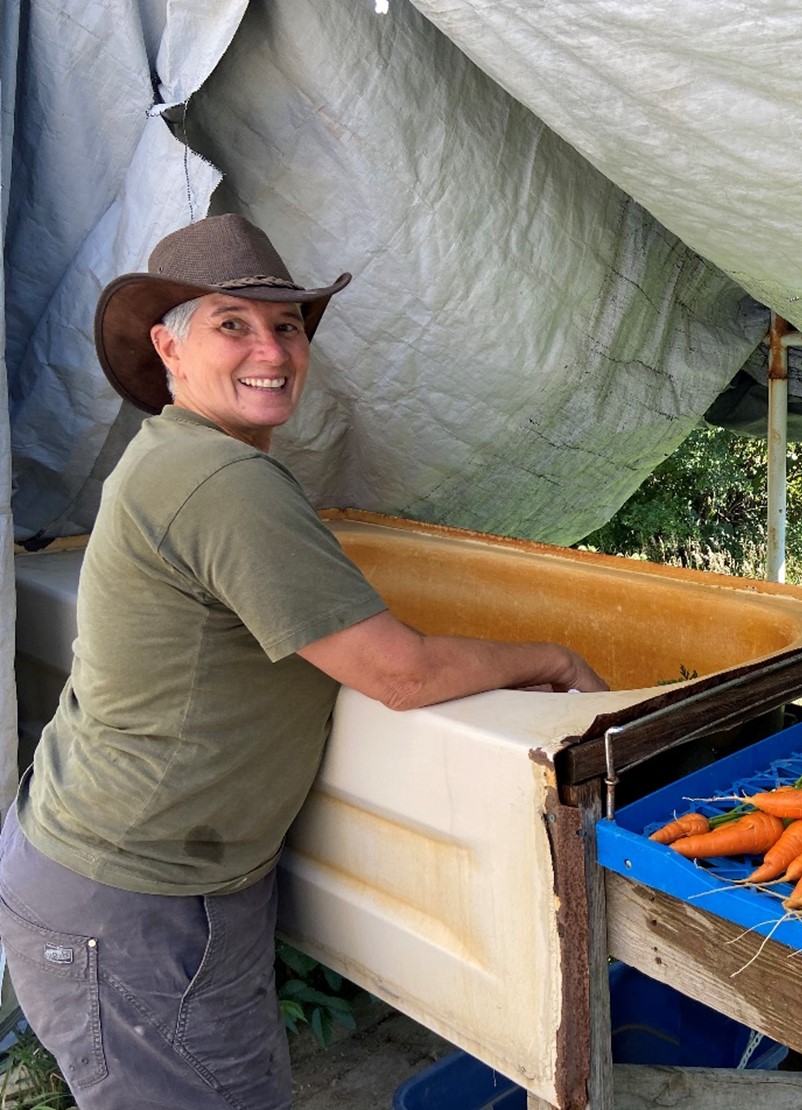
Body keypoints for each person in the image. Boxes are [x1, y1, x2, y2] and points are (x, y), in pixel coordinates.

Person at [0, 213, 608, 1109]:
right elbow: (399, 672)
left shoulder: (176, 456)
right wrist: (551, 657)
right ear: (168, 346)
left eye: (287, 325)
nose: (272, 350)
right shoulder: (222, 482)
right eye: (233, 324)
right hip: (137, 901)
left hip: (112, 871)